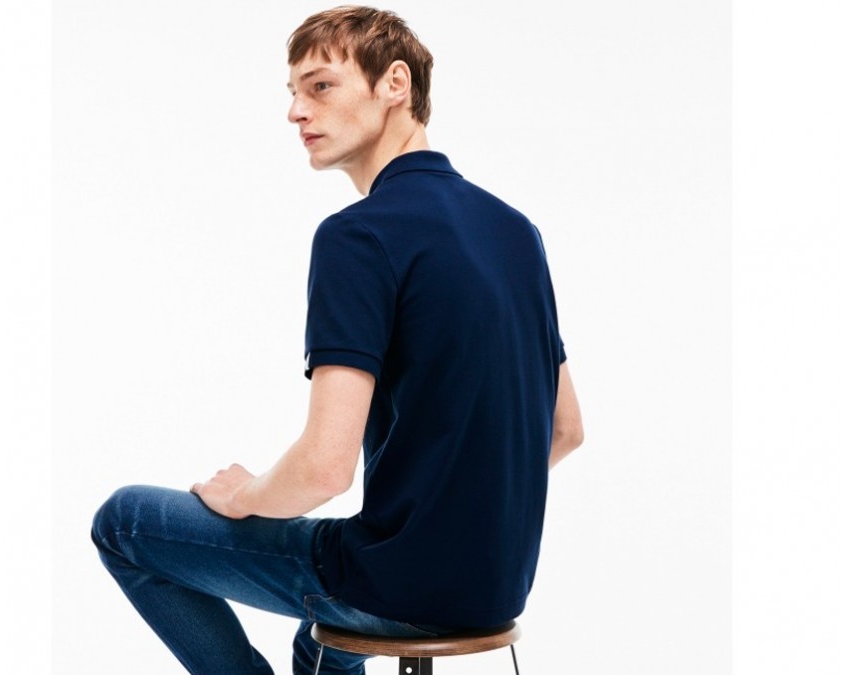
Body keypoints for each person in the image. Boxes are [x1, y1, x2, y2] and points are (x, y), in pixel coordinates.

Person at [91, 5, 584, 674]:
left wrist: (245, 495)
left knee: (122, 522)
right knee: (318, 637)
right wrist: (453, 512)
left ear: (395, 84)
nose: (297, 111)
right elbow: (564, 429)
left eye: (320, 86)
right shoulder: (517, 231)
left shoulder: (358, 235)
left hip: (399, 586)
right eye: (293, 92)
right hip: (496, 586)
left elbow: (325, 470)